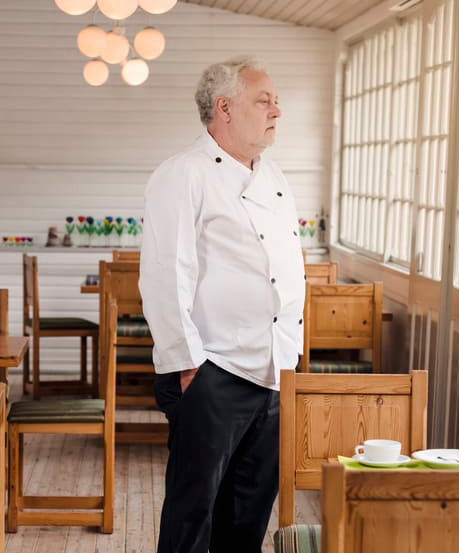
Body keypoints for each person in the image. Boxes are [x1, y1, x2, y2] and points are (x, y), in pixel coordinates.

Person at [140, 56, 306, 553]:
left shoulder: (274, 176)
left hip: (273, 370)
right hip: (212, 368)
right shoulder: (182, 174)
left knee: (249, 514)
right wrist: (188, 365)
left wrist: (289, 359)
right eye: (265, 100)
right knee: (193, 516)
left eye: (277, 101)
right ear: (225, 108)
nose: (277, 110)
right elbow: (166, 274)